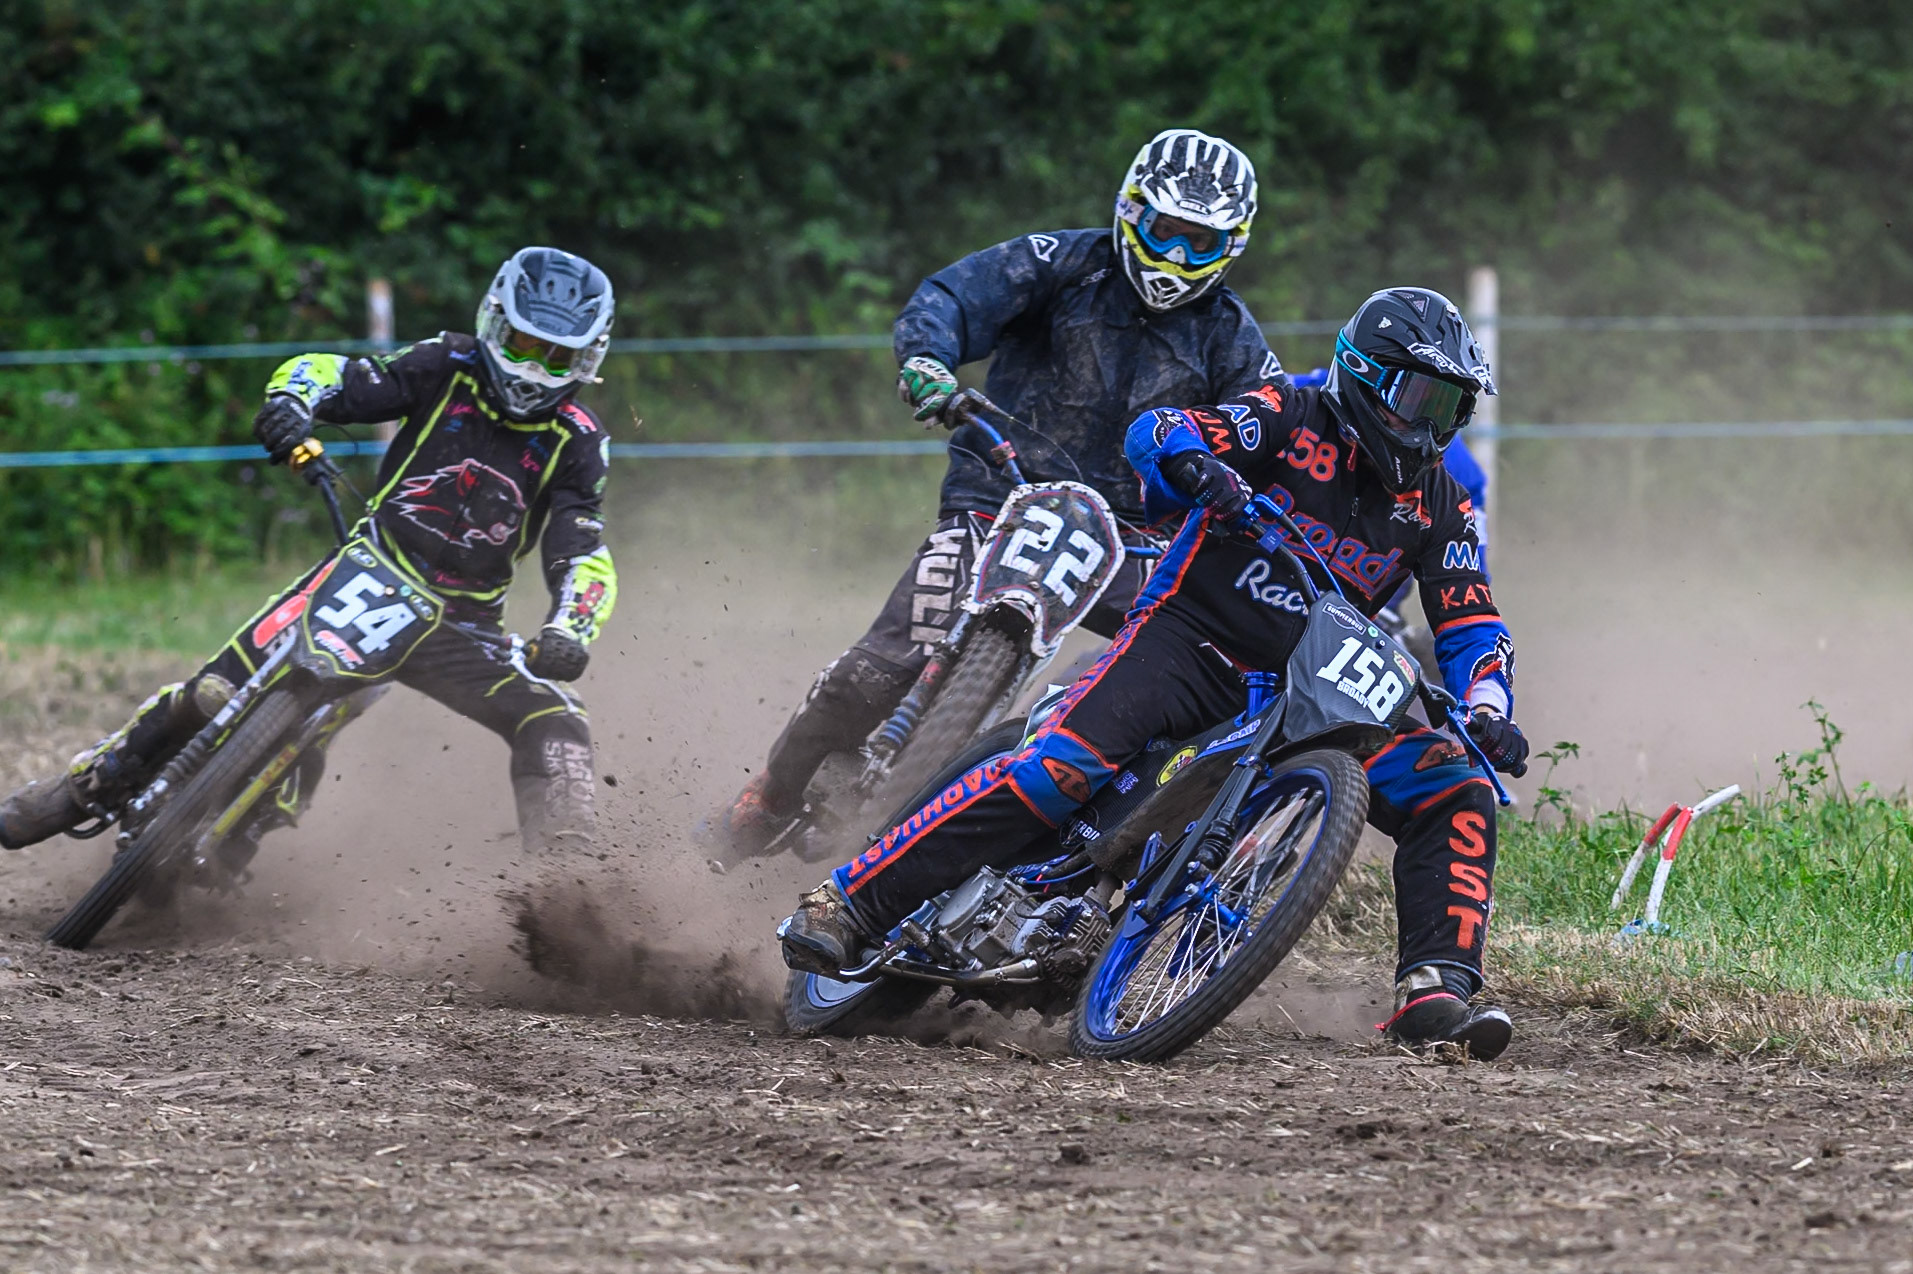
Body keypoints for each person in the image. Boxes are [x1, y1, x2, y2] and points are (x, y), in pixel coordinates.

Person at [778, 286, 1532, 1058]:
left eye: (1451, 407)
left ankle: (1435, 991)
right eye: (1419, 397)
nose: (1432, 424)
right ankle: (851, 903)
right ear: (1363, 375)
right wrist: (1195, 464)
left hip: (1313, 685)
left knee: (1455, 784)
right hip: (1187, 639)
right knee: (1057, 773)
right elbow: (1161, 430)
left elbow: (1472, 618)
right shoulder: (1290, 415)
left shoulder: (1438, 503)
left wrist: (1485, 707)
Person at [718, 128, 1288, 856]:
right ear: (1130, 211)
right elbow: (953, 296)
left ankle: (1116, 856)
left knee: (1193, 683)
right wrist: (928, 359)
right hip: (1000, 491)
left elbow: (1266, 434)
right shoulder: (1060, 263)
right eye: (1165, 232)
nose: (1175, 258)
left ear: (1230, 247)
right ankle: (771, 791)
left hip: (1128, 537)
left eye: (1198, 244)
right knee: (875, 669)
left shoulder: (1234, 340)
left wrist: (1259, 503)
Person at [0, 247, 620, 860]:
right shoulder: (446, 363)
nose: (532, 369)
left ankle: (570, 883)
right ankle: (88, 785)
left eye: (555, 355)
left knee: (556, 719)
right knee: (215, 692)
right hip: (368, 570)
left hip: (461, 624)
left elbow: (582, 549)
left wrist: (571, 628)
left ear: (588, 359)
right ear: (493, 321)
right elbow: (345, 376)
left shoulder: (578, 440)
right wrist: (293, 403)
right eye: (520, 343)